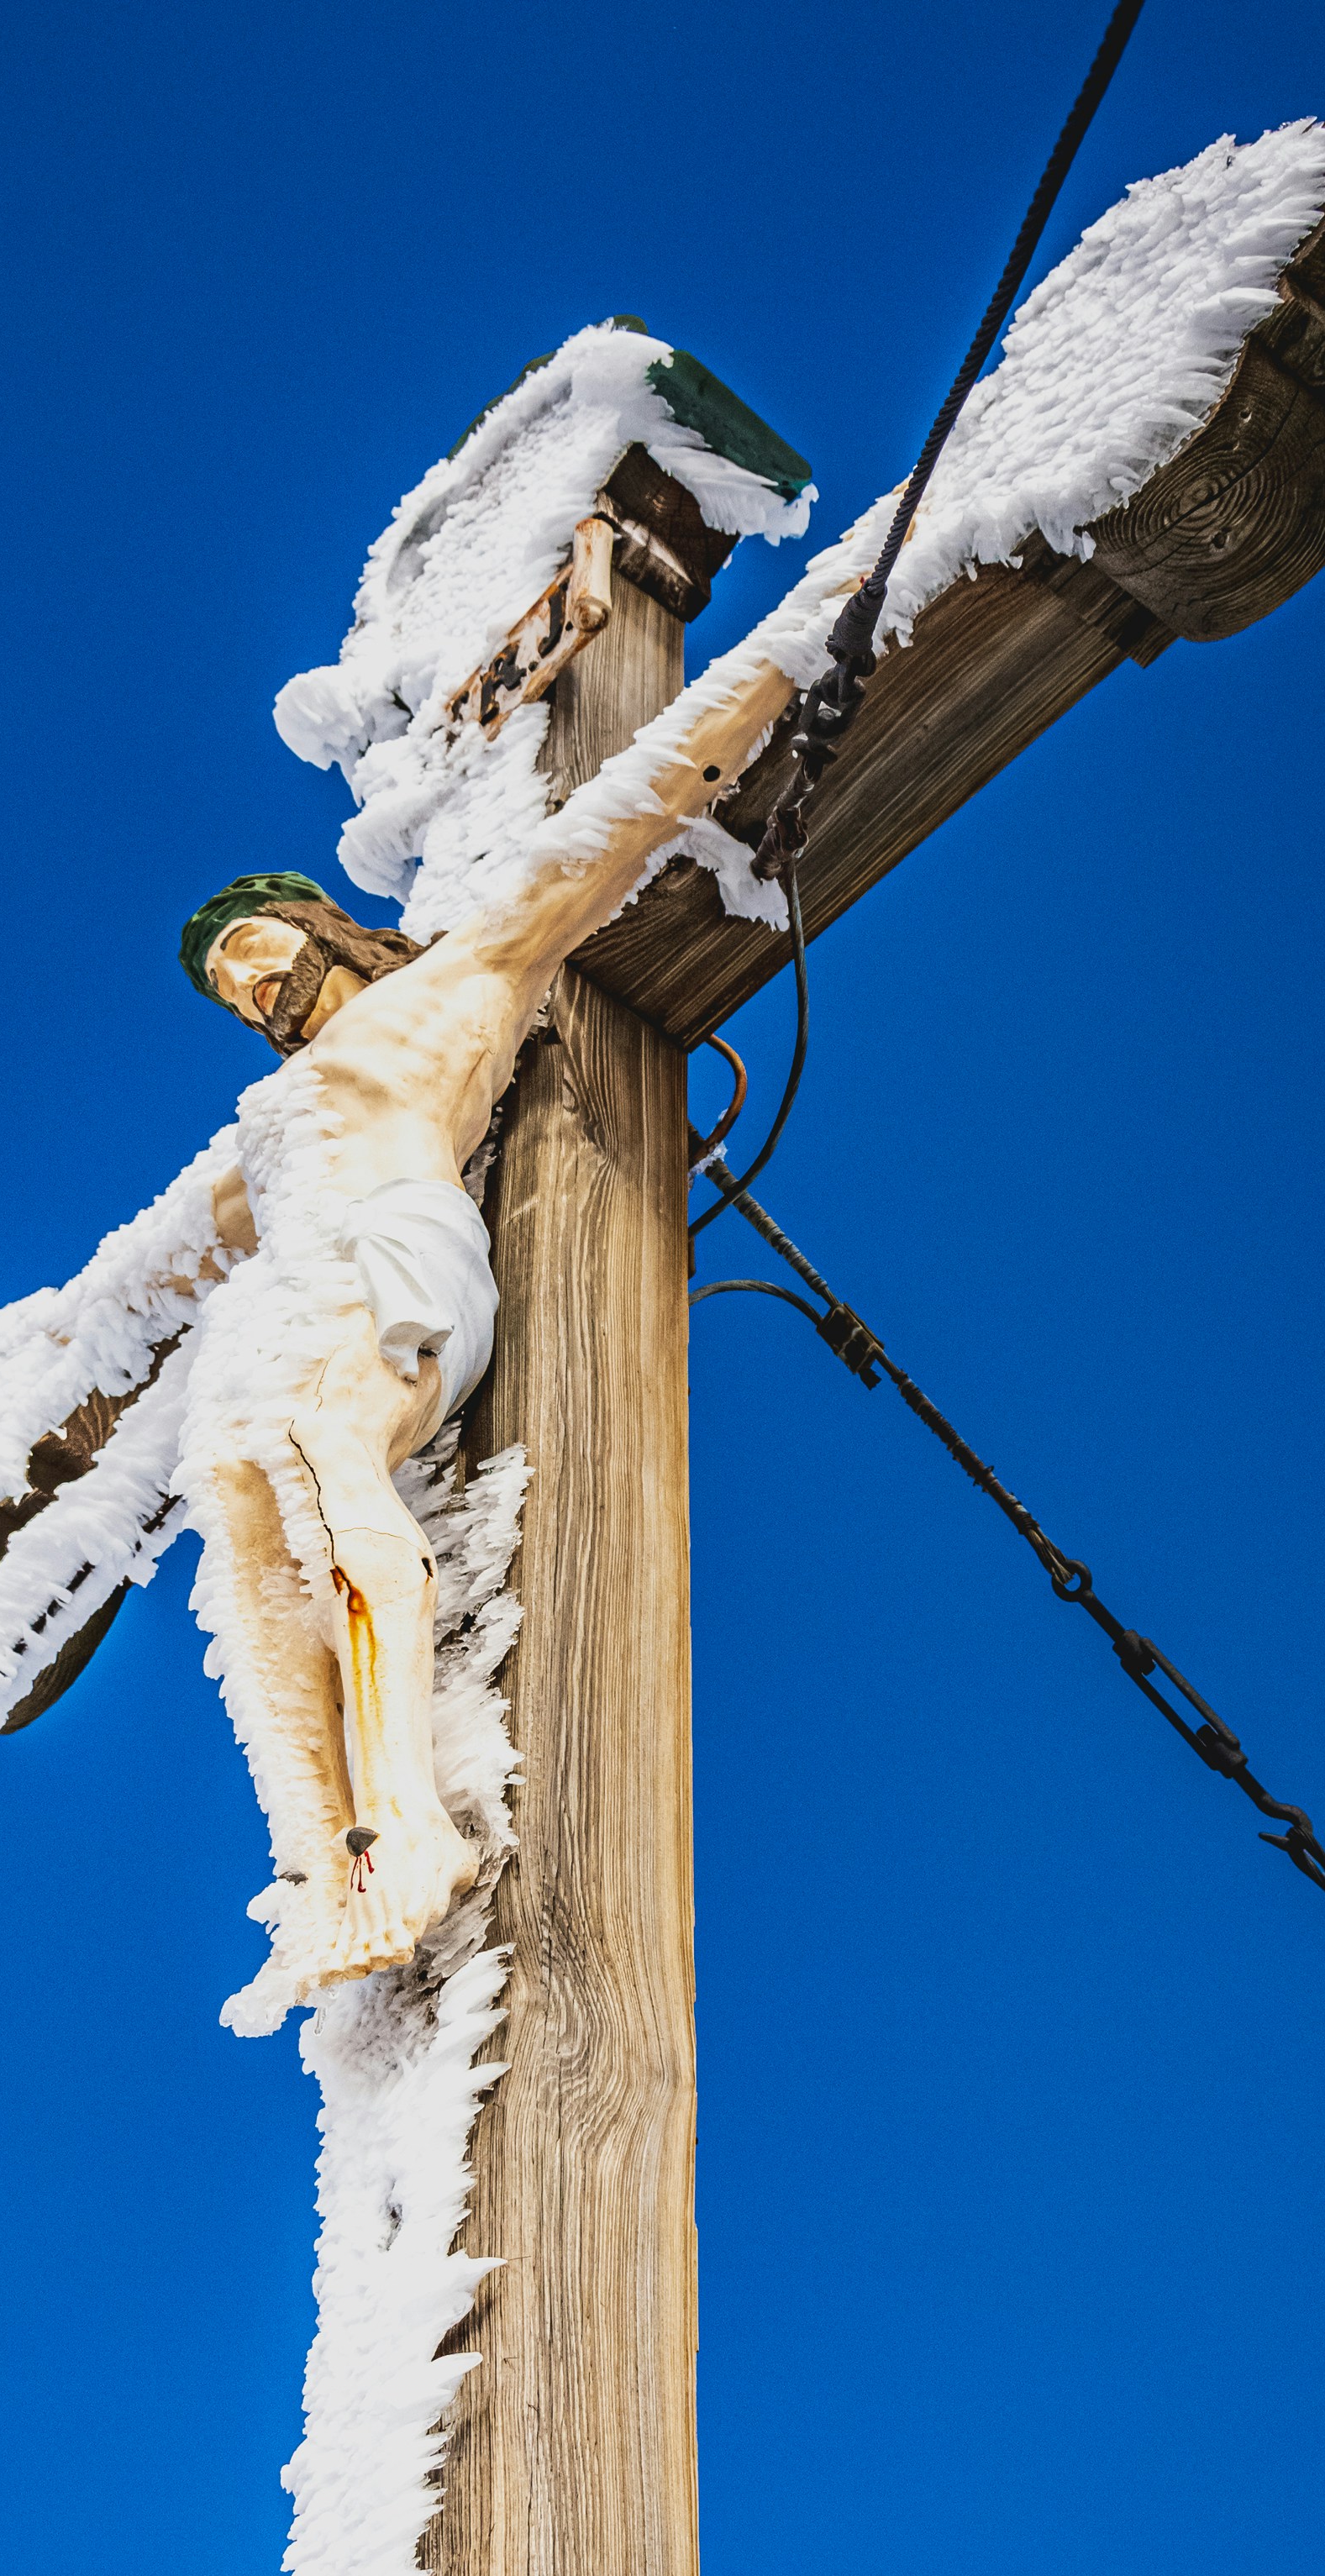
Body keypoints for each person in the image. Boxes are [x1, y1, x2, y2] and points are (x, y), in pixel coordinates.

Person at [176, 627, 809, 2017]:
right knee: (239, 1519)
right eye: (232, 991)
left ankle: (410, 1817)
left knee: (322, 1448)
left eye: (262, 955)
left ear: (321, 932)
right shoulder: (262, 1127)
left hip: (393, 1256)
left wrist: (809, 639)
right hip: (291, 1296)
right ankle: (319, 1860)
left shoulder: (443, 993)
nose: (255, 991)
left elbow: (619, 818)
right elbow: (152, 1273)